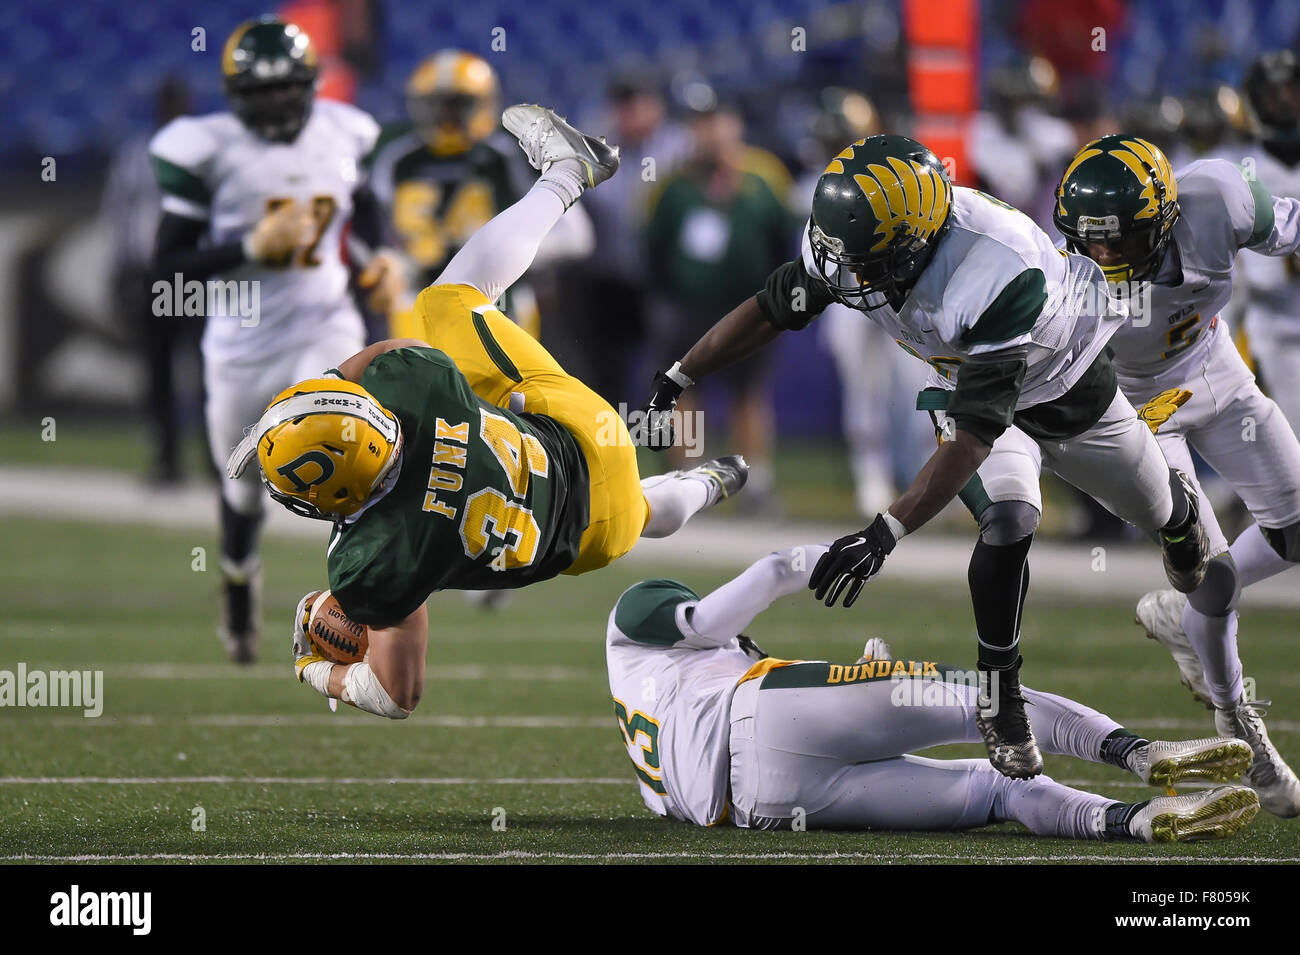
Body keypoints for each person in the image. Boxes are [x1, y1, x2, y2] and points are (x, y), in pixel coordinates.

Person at [637, 132, 1210, 780]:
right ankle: (1001, 692)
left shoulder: (997, 269)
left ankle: (1179, 517)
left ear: (915, 242)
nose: (849, 277)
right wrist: (681, 374)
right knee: (1010, 519)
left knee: (1159, 507)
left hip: (1065, 384)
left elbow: (972, 437)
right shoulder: (856, 243)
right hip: (962, 381)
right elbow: (776, 306)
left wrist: (886, 530)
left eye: (867, 263)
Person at [230, 106, 748, 720]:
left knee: (633, 510)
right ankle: (566, 173)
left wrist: (324, 670)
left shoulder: (374, 565)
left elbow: (397, 697)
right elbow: (395, 353)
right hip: (584, 432)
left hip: (589, 538)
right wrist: (340, 386)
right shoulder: (420, 390)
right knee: (449, 300)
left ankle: (705, 484)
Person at [605, 543, 1258, 841]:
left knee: (999, 789)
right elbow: (718, 632)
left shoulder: (652, 728)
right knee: (991, 698)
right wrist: (794, 564)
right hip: (766, 713)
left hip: (758, 804)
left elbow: (733, 712)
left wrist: (860, 678)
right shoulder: (639, 618)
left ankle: (1134, 821)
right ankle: (1140, 753)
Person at [1054, 134, 1300, 817]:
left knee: (1297, 527)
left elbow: (1289, 226)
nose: (1101, 255)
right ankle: (1238, 721)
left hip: (1213, 364)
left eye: (1117, 239)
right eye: (1088, 240)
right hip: (1136, 408)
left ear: (1163, 219)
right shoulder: (1063, 285)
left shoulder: (1218, 198)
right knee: (1211, 571)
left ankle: (1183, 617)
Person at [150, 17, 387, 663]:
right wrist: (249, 247)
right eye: (264, 91)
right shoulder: (206, 148)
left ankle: (359, 601)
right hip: (239, 344)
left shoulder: (345, 131)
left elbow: (362, 208)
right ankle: (237, 578)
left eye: (289, 88)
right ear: (235, 94)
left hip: (324, 320)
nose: (279, 102)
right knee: (243, 490)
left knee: (351, 448)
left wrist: (378, 255)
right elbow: (166, 267)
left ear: (309, 85)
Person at [366, 49, 593, 339]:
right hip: (414, 298)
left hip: (496, 299)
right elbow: (375, 234)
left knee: (501, 383)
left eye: (456, 105)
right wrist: (398, 261)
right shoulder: (397, 159)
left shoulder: (509, 155)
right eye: (435, 105)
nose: (444, 117)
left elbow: (577, 236)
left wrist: (499, 254)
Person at [644, 100, 795, 497]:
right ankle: (687, 482)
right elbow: (653, 249)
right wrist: (664, 302)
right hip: (687, 307)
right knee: (681, 388)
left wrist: (775, 300)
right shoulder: (673, 185)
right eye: (700, 123)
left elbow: (784, 240)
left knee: (749, 393)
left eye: (716, 121)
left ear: (735, 124)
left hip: (749, 306)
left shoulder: (765, 176)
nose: (710, 133)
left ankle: (755, 481)